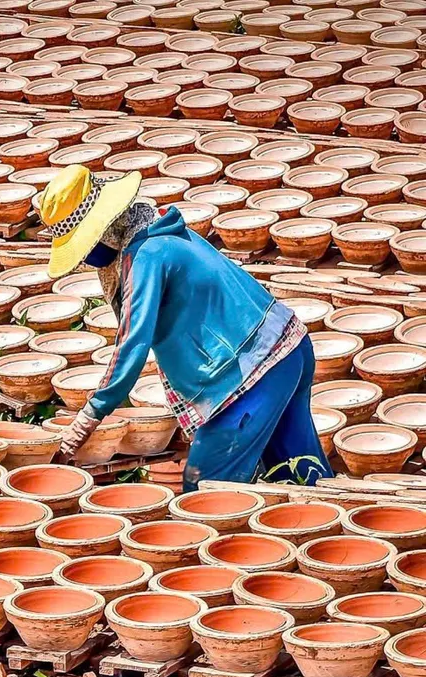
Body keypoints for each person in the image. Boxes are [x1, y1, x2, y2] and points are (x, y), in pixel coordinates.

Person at [37, 165, 332, 491]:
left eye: (83, 248)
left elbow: (132, 343)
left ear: (103, 230)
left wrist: (89, 418)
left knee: (204, 491)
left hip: (249, 372)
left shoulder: (145, 255)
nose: (84, 260)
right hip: (287, 347)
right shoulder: (164, 230)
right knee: (299, 474)